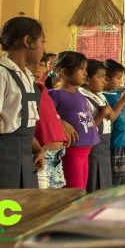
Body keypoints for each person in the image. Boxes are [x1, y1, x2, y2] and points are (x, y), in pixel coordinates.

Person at [0, 17, 45, 189]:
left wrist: (37, 148)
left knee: (25, 212)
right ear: (28, 41)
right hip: (4, 159)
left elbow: (20, 123)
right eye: (42, 42)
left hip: (27, 159)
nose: (44, 48)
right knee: (5, 212)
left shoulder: (27, 76)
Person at [49, 51, 101, 189]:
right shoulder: (55, 94)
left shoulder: (78, 92)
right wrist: (61, 122)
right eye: (81, 69)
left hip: (86, 151)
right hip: (72, 152)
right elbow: (47, 116)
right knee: (74, 191)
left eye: (85, 69)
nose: (85, 73)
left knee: (81, 189)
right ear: (64, 72)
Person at [28, 61, 72, 189]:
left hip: (56, 155)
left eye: (41, 65)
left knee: (56, 200)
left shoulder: (41, 88)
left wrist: (61, 123)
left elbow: (50, 115)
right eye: (30, 64)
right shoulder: (26, 92)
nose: (37, 69)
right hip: (41, 155)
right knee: (43, 200)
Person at [79, 59, 113, 192]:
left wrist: (107, 113)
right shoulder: (83, 98)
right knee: (94, 179)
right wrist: (102, 114)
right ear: (87, 79)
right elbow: (86, 128)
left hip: (104, 142)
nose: (104, 81)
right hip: (94, 145)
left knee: (104, 178)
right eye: (100, 77)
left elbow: (111, 115)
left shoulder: (100, 95)